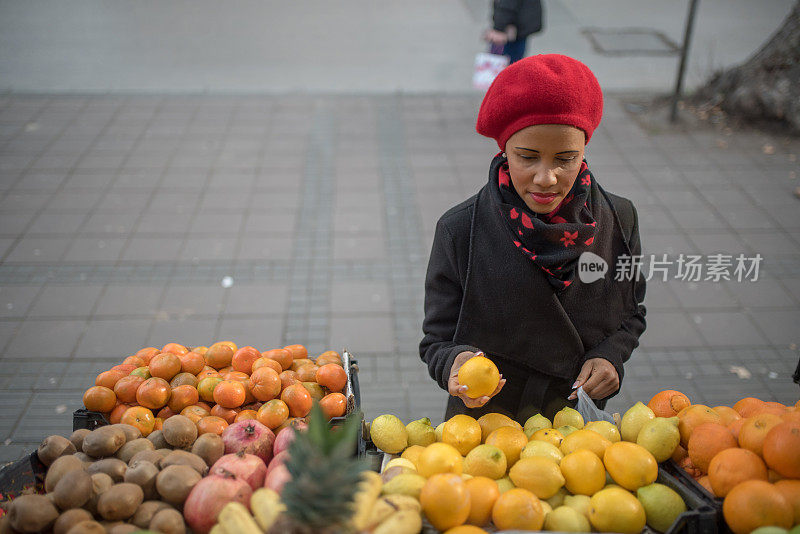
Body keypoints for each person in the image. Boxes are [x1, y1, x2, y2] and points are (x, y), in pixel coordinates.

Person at [419, 54, 647, 423]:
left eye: (565, 158)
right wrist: (455, 365)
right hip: (486, 425)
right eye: (527, 157)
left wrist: (611, 355)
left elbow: (632, 312)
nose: (547, 178)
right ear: (504, 150)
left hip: (574, 423)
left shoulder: (619, 219)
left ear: (584, 151)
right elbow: (436, 340)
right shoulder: (461, 230)